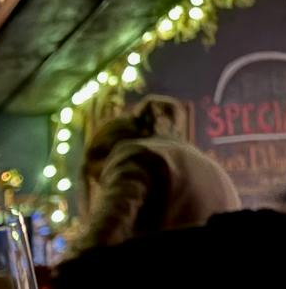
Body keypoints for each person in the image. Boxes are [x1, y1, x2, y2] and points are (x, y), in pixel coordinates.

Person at [73, 95, 240, 251]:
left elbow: (105, 231)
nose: (106, 184)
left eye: (103, 177)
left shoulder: (135, 153)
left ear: (111, 154)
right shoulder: (202, 160)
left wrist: (63, 270)